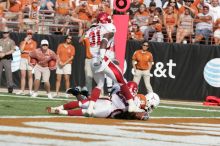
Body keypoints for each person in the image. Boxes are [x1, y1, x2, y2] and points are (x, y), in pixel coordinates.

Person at [82, 12, 144, 116]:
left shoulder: (90, 30)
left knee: (100, 85)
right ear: (106, 20)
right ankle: (132, 105)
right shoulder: (109, 27)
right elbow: (105, 40)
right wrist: (102, 55)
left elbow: (82, 40)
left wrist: (89, 32)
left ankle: (90, 108)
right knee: (121, 80)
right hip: (101, 58)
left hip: (93, 61)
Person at [47, 81, 160, 120]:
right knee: (87, 110)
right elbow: (137, 114)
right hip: (110, 109)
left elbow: (118, 90)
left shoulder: (126, 90)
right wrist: (142, 114)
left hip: (107, 99)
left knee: (84, 103)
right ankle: (63, 111)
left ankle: (60, 108)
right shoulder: (138, 101)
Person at [16, 30, 37, 95]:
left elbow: (33, 52)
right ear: (26, 34)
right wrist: (25, 41)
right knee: (23, 75)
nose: (29, 35)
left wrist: (26, 51)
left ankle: (30, 91)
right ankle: (22, 90)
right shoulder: (23, 42)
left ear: (32, 35)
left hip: (30, 59)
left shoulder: (34, 42)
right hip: (23, 59)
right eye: (28, 34)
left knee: (30, 76)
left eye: (30, 34)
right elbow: (21, 50)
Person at [0, 27, 16, 93]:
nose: (5, 34)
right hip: (0, 59)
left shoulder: (11, 41)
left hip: (7, 59)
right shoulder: (0, 40)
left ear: (8, 33)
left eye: (6, 32)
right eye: (4, 32)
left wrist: (5, 53)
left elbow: (13, 50)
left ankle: (10, 87)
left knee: (8, 74)